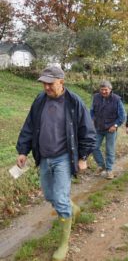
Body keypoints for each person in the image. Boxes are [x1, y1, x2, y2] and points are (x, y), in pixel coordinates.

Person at [16, 66, 96, 261]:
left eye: (50, 83)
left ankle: (64, 243)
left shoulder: (74, 102)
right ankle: (72, 209)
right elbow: (30, 125)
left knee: (60, 198)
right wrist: (23, 150)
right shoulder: (40, 100)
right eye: (43, 83)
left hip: (63, 158)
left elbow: (88, 132)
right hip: (44, 156)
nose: (46, 87)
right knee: (49, 194)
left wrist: (83, 157)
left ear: (61, 81)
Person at [90, 80, 126, 179]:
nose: (103, 92)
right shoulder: (96, 97)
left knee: (109, 150)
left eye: (105, 90)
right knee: (94, 147)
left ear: (110, 89)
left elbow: (122, 116)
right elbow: (92, 111)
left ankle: (109, 170)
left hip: (111, 129)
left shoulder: (117, 99)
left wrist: (115, 126)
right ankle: (101, 165)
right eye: (102, 90)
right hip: (98, 128)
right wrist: (92, 119)